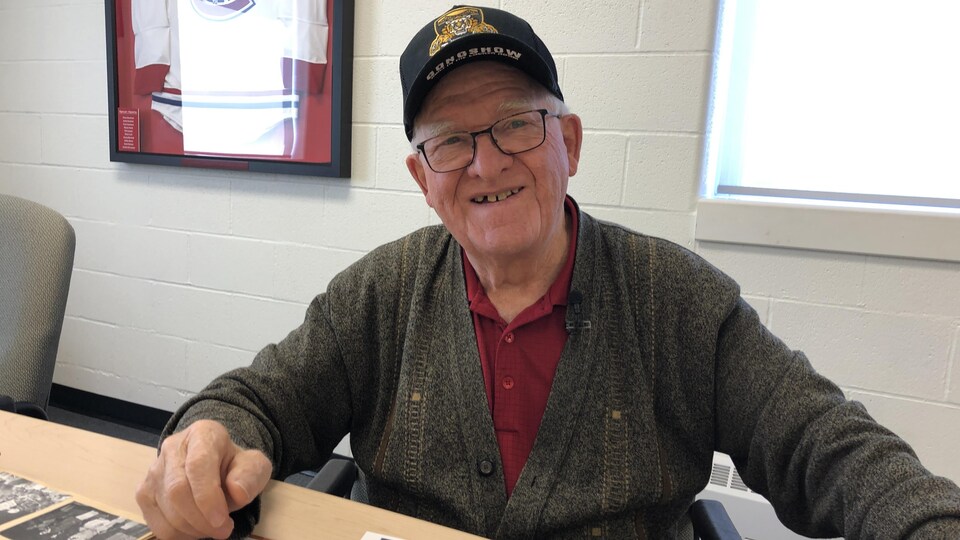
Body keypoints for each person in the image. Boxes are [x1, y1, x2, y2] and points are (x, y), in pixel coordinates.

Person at [135, 5, 960, 539]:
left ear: (568, 141)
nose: (485, 160)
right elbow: (254, 402)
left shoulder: (680, 301)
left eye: (514, 125)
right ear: (424, 179)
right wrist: (207, 437)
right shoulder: (377, 295)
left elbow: (832, 449)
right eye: (449, 141)